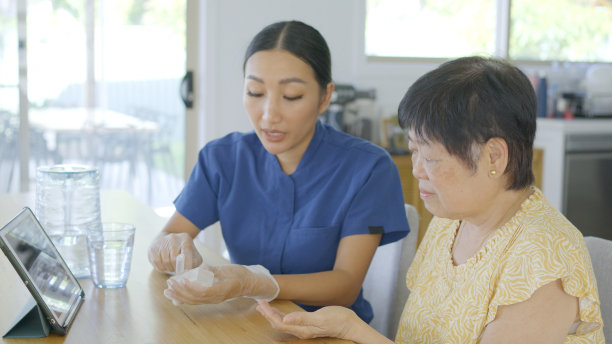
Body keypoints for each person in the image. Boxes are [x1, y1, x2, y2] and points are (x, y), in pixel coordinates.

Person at [257, 56, 605, 343]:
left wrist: (356, 330)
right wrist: (349, 327)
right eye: (413, 151)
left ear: (494, 157)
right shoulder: (450, 222)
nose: (418, 170)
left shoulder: (544, 259)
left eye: (432, 157)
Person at [147, 20, 410, 322]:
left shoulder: (368, 168)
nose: (269, 115)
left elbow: (345, 285)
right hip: (251, 325)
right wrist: (169, 246)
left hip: (331, 333)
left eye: (292, 96)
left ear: (325, 97)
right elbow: (167, 236)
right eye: (255, 92)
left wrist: (251, 281)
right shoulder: (223, 159)